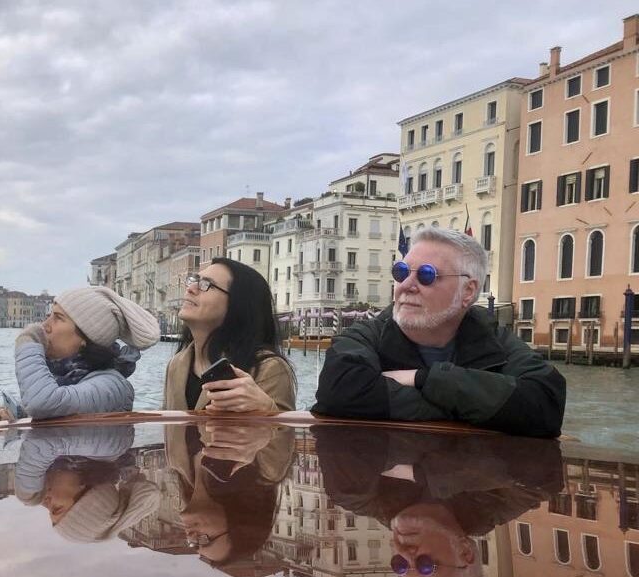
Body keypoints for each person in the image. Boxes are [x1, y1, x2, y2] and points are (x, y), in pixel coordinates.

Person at [313, 228, 566, 438]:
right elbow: (338, 389)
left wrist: (422, 379)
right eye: (401, 272)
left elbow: (545, 404)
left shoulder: (495, 342)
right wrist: (474, 407)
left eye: (426, 275)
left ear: (468, 291)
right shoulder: (366, 335)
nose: (406, 285)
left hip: (468, 490)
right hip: (392, 485)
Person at [313, 425, 564, 577]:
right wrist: (416, 472)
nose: (404, 553)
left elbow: (339, 444)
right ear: (465, 552)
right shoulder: (496, 506)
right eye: (425, 566)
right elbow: (542, 472)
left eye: (399, 566)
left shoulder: (360, 499)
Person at [5, 286, 160, 420]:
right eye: (49, 316)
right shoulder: (64, 378)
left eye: (58, 318)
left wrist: (28, 341)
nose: (45, 325)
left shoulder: (112, 386)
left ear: (86, 337)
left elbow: (42, 403)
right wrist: (18, 415)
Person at [163, 257, 295, 412]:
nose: (190, 288)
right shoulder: (176, 365)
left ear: (238, 305)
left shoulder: (269, 368)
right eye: (194, 280)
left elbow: (284, 433)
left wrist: (266, 410)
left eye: (206, 284)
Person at [163, 421, 293, 567]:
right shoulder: (268, 470)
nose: (191, 536)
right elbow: (280, 413)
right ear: (239, 525)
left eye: (193, 543)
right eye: (205, 539)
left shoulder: (175, 463)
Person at [14, 424, 160, 542]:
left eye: (48, 510)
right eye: (56, 508)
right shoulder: (106, 444)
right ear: (87, 489)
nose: (43, 502)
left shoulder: (47, 464)